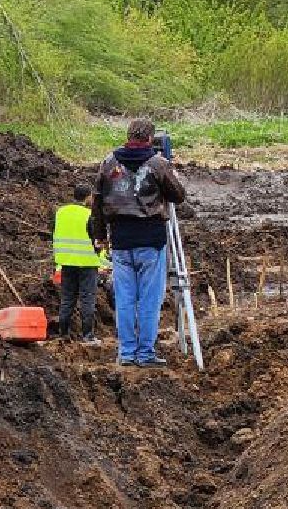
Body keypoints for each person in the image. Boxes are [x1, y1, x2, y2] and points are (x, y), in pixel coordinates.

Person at [92, 119, 188, 366]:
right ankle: (145, 353)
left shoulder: (108, 162)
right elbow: (178, 196)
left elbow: (98, 202)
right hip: (151, 239)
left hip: (121, 240)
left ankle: (126, 352)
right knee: (149, 300)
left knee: (124, 299)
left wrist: (100, 236)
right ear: (150, 138)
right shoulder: (158, 163)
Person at [52, 182, 105, 342]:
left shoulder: (61, 212)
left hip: (67, 262)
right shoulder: (89, 215)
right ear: (88, 197)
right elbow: (96, 240)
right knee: (87, 298)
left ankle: (63, 334)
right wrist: (102, 259)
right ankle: (88, 335)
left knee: (67, 298)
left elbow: (54, 233)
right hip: (87, 263)